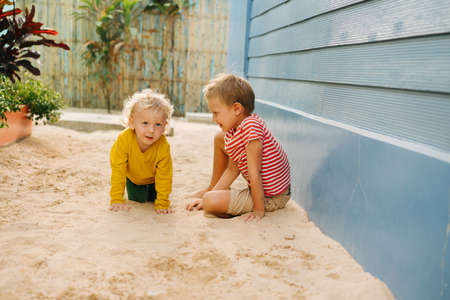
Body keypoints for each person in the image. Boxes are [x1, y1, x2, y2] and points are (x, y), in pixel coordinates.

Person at [186, 74, 291, 221]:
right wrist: (209, 196)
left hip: (272, 197)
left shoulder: (251, 128)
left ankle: (226, 203)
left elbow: (255, 172)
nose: (213, 119)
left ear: (236, 108)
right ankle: (214, 193)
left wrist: (258, 210)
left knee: (211, 203)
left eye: (216, 113)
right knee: (209, 199)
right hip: (259, 190)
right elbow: (232, 169)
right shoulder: (233, 132)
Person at [109, 89, 173, 214]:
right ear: (132, 122)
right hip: (133, 179)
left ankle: (154, 194)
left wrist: (162, 202)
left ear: (165, 125)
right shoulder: (124, 140)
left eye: (158, 124)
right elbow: (118, 169)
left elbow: (165, 176)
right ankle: (140, 190)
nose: (151, 130)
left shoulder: (163, 145)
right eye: (145, 123)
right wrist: (116, 199)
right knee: (138, 199)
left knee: (154, 199)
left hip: (154, 179)